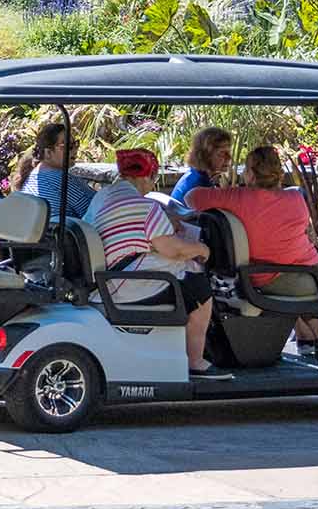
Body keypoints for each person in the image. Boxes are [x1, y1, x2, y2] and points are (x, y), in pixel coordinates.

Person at [186, 146, 318, 374]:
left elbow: (191, 197)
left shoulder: (237, 198)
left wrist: (230, 193)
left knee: (312, 283)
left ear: (251, 173)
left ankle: (316, 340)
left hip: (259, 277)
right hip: (300, 275)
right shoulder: (294, 197)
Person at [85, 148, 227, 380]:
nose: (153, 186)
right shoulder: (146, 206)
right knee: (198, 284)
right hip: (123, 285)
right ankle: (195, 361)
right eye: (154, 179)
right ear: (146, 176)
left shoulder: (104, 196)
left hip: (105, 280)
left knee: (181, 269)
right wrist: (202, 249)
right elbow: (173, 249)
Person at [11, 120, 97, 224]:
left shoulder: (32, 175)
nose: (74, 150)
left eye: (75, 144)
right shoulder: (62, 179)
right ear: (48, 153)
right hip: (62, 238)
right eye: (68, 146)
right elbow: (99, 209)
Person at [170, 127, 232, 207]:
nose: (229, 157)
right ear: (205, 155)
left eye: (229, 152)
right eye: (222, 153)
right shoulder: (199, 186)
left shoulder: (193, 175)